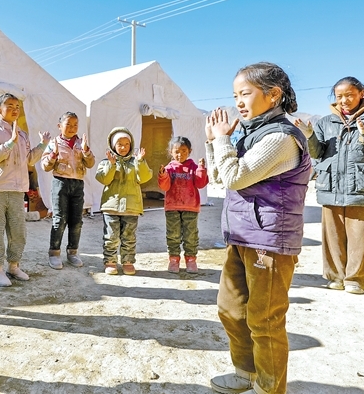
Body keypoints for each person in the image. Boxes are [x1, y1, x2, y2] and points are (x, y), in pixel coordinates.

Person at [207, 62, 311, 394]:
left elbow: (236, 176)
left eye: (245, 93)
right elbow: (219, 177)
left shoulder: (281, 137)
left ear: (273, 94)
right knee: (231, 309)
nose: (238, 101)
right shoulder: (252, 134)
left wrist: (223, 141)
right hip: (242, 236)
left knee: (264, 319)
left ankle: (269, 387)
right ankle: (245, 374)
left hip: (269, 242)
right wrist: (215, 143)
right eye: (235, 94)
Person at [294, 76, 364, 294]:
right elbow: (318, 153)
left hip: (362, 188)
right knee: (332, 237)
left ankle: (356, 280)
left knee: (360, 237)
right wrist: (310, 136)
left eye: (349, 95)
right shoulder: (325, 122)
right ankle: (335, 277)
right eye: (339, 96)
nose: (343, 100)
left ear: (361, 94)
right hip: (330, 186)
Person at [0, 93, 49, 287]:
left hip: (18, 189)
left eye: (17, 106)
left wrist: (43, 145)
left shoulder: (21, 133)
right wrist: (9, 143)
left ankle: (13, 265)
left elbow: (29, 159)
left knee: (18, 231)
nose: (14, 109)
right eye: (9, 106)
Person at [41, 112, 95, 269]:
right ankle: (54, 253)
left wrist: (86, 151)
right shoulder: (53, 143)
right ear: (59, 126)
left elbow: (90, 163)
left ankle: (72, 252)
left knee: (76, 221)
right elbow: (45, 166)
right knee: (60, 219)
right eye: (68, 124)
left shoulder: (81, 143)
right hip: (60, 183)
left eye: (75, 125)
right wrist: (53, 155)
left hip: (78, 184)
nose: (72, 128)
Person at [94, 127, 152, 275]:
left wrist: (140, 162)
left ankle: (127, 262)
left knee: (129, 237)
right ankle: (110, 261)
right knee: (111, 237)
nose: (123, 147)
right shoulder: (105, 162)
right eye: (120, 144)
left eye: (127, 144)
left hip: (131, 207)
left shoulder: (136, 162)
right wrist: (112, 165)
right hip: (111, 206)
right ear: (113, 145)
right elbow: (104, 178)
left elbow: (144, 178)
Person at [158, 136, 209, 273]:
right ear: (171, 152)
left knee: (190, 235)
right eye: (176, 151)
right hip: (172, 207)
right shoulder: (169, 168)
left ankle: (191, 259)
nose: (180, 154)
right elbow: (165, 187)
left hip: (190, 207)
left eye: (184, 151)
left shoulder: (193, 167)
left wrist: (201, 169)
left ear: (190, 151)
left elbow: (200, 183)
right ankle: (174, 259)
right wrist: (163, 175)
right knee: (173, 235)